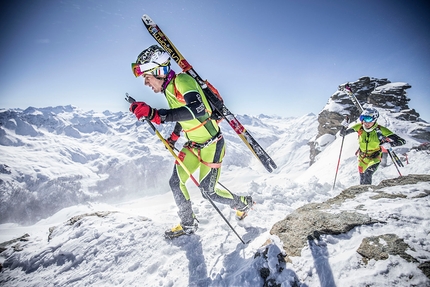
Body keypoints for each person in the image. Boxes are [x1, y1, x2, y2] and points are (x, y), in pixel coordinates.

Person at [129, 45, 253, 238]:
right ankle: (188, 224)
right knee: (176, 182)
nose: (146, 83)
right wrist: (174, 137)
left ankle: (243, 203)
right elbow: (184, 116)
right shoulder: (169, 90)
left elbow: (199, 110)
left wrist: (155, 114)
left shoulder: (183, 80)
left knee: (208, 191)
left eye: (147, 77)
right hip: (193, 145)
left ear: (158, 71)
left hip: (212, 144)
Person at [340, 107, 405, 185]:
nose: (365, 122)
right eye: (363, 119)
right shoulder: (359, 127)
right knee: (362, 177)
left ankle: (367, 194)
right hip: (362, 158)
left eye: (368, 119)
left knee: (368, 174)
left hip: (375, 157)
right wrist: (343, 127)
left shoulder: (381, 130)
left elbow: (402, 141)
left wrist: (390, 144)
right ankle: (362, 195)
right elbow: (342, 134)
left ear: (374, 119)